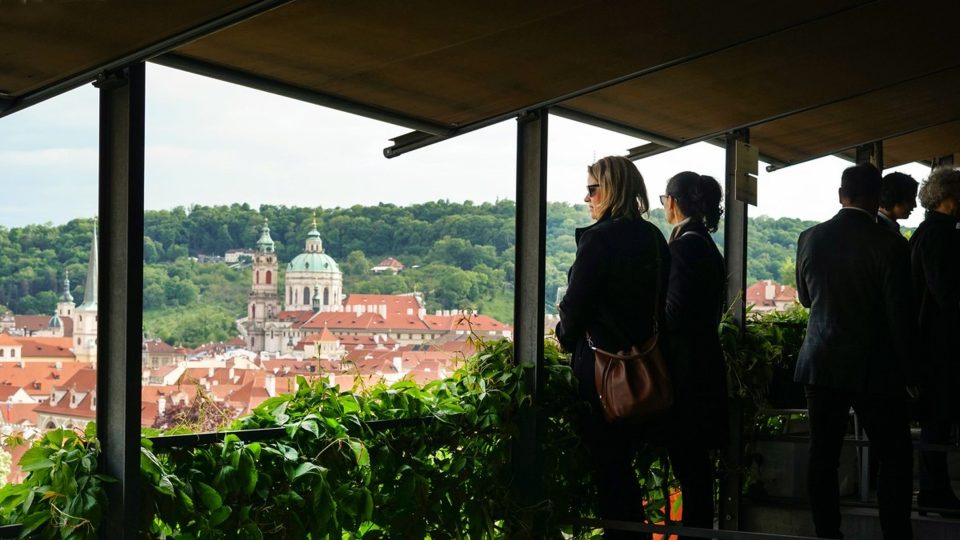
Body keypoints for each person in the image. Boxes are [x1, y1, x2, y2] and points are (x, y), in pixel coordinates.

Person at [794, 163, 915, 539]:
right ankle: (895, 534)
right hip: (874, 367)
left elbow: (804, 298)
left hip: (820, 361)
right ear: (877, 197)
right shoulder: (891, 244)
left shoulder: (809, 237)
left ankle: (827, 534)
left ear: (840, 194)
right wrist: (912, 373)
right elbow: (901, 317)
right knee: (894, 457)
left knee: (823, 456)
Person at [556, 156, 670, 539]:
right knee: (623, 466)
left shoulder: (598, 238)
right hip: (647, 366)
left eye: (592, 188)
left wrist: (564, 337)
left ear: (611, 190)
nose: (587, 196)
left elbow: (576, 304)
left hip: (601, 370)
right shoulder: (653, 237)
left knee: (609, 469)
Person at [657, 172, 727, 540]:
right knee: (696, 468)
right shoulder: (703, 243)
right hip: (704, 368)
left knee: (690, 465)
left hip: (686, 375)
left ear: (673, 201)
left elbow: (674, 313)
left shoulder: (685, 246)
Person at [909, 167, 960, 516]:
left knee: (936, 421)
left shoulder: (923, 234)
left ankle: (933, 490)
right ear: (949, 198)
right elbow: (948, 294)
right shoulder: (944, 237)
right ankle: (935, 491)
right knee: (939, 420)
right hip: (944, 345)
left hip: (928, 343)